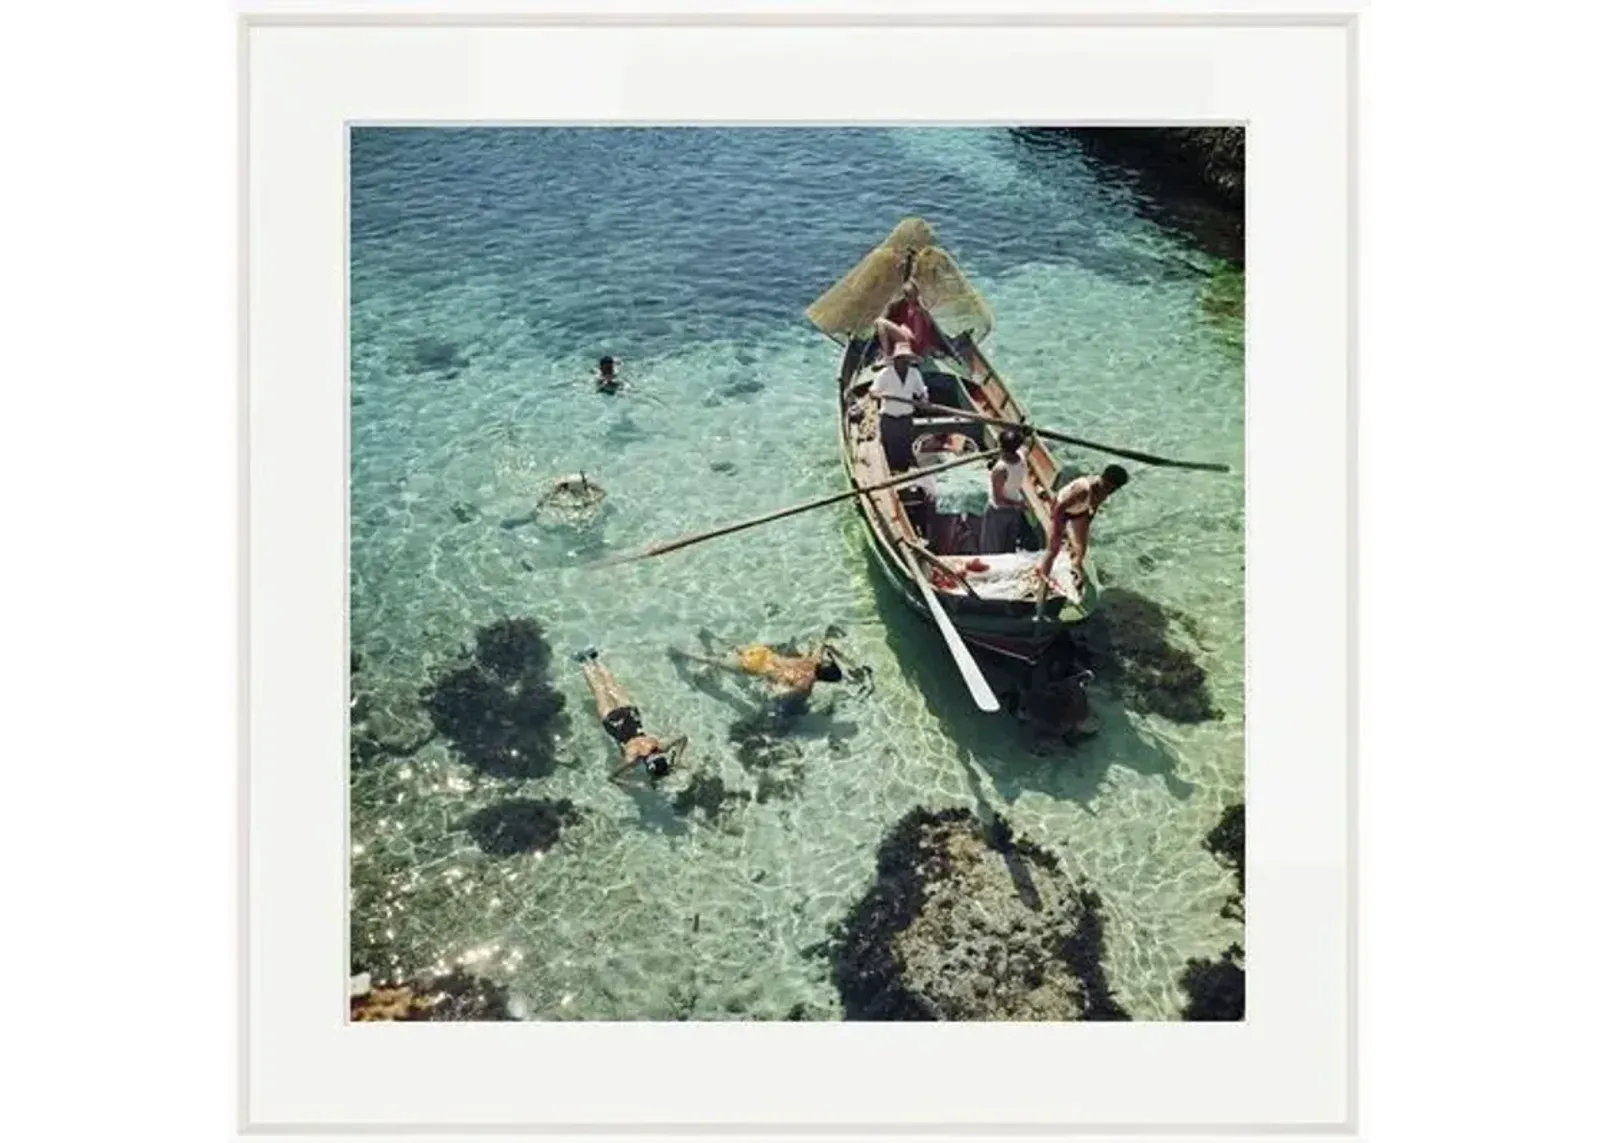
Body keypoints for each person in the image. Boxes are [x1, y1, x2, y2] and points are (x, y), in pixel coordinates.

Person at [573, 647, 687, 783]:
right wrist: (629, 784)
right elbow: (612, 776)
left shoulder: (659, 746)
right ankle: (583, 662)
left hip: (630, 715)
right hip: (614, 723)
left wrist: (677, 759)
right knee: (599, 691)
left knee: (611, 686)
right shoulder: (633, 759)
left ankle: (594, 658)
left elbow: (682, 737)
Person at [670, 636, 846, 718]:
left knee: (733, 647)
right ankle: (680, 653)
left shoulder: (813, 659)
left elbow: (820, 641)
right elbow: (782, 695)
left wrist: (834, 652)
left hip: (762, 653)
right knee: (714, 661)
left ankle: (707, 636)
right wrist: (773, 689)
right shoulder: (805, 685)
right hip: (754, 667)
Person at [1038, 464, 1130, 588]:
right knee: (1053, 548)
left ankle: (1075, 564)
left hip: (1080, 511)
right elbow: (1059, 509)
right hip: (1062, 510)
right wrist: (1057, 529)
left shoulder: (1105, 491)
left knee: (1082, 547)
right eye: (1108, 487)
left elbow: (1094, 507)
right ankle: (1044, 576)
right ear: (1102, 479)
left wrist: (1086, 524)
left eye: (1113, 489)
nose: (1109, 491)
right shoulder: (1083, 489)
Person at [868, 342, 929, 472]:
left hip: (906, 420)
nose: (903, 362)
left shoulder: (914, 373)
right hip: (889, 420)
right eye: (900, 359)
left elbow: (921, 391)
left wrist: (924, 399)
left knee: (906, 451)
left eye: (905, 359)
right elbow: (872, 392)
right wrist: (880, 395)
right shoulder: (885, 373)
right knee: (889, 453)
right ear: (894, 360)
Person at [980, 428, 1029, 553]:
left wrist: (1018, 504)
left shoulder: (1000, 469)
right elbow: (1025, 446)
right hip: (1015, 510)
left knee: (991, 549)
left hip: (999, 512)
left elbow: (999, 500)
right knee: (1008, 547)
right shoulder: (1022, 456)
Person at [874, 279, 939, 362]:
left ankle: (887, 356)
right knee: (879, 322)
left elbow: (918, 338)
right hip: (911, 340)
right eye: (907, 295)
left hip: (913, 344)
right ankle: (888, 353)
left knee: (879, 322)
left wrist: (904, 329)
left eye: (911, 295)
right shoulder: (907, 306)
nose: (909, 298)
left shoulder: (918, 310)